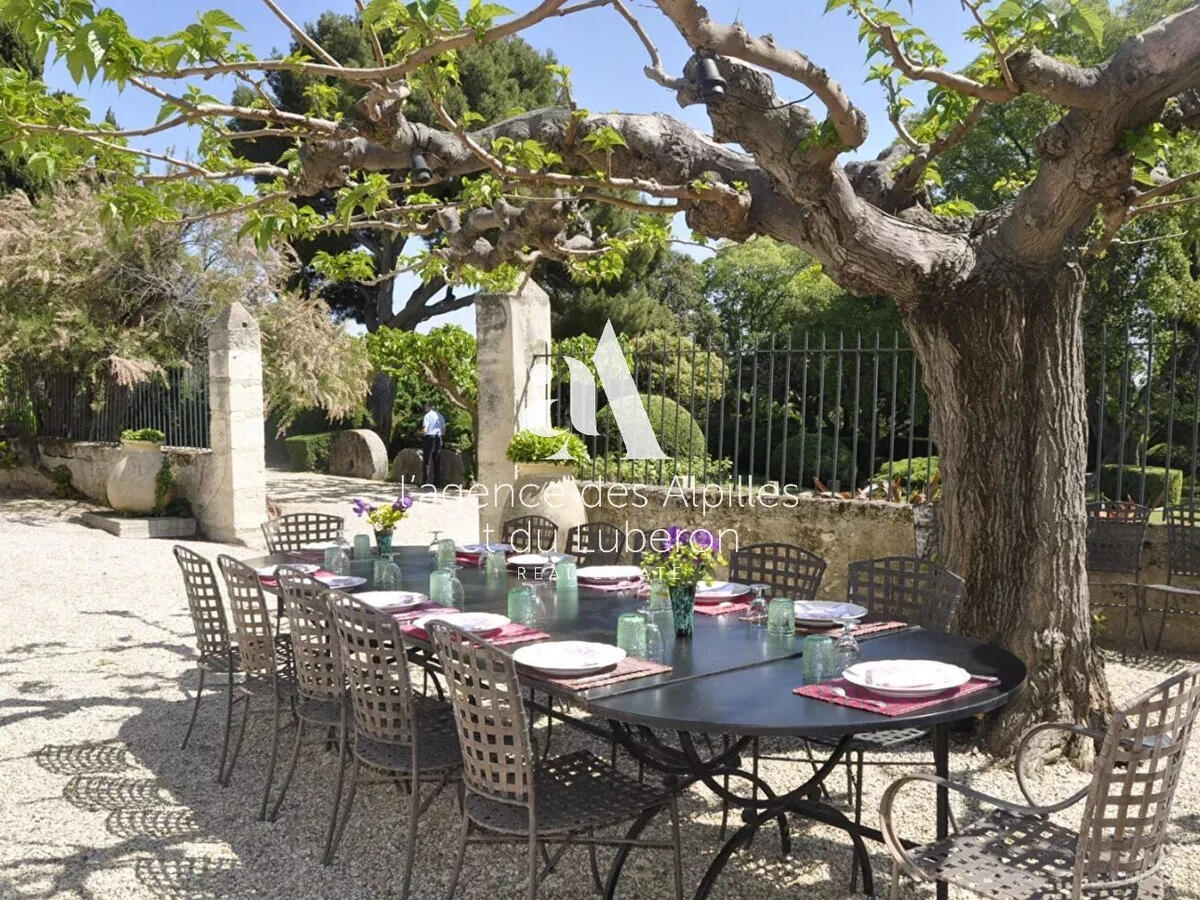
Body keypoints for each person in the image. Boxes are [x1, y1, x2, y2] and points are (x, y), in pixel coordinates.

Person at [419, 403, 446, 488]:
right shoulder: (440, 416)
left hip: (429, 438)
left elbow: (425, 429)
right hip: (438, 437)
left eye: (426, 407)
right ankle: (437, 482)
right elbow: (444, 431)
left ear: (429, 407)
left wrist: (419, 432)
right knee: (436, 460)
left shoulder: (427, 416)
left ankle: (426, 482)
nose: (425, 408)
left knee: (427, 460)